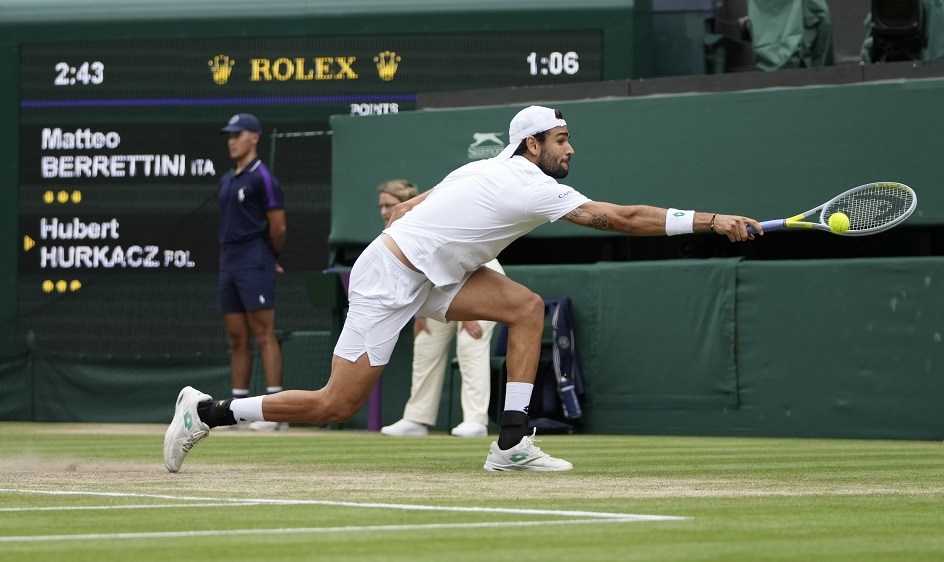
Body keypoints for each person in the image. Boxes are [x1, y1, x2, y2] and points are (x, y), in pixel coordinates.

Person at [165, 105, 763, 473]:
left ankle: (511, 442)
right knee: (334, 405)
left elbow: (406, 209)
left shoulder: (481, 168)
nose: (570, 148)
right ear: (533, 146)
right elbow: (622, 218)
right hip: (391, 279)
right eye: (560, 140)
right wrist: (711, 221)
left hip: (432, 272)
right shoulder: (530, 184)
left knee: (526, 309)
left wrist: (418, 226)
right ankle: (208, 411)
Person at [376, 179, 503, 438]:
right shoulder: (394, 231)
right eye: (381, 205)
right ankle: (417, 419)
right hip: (443, 285)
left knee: (470, 345)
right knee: (425, 343)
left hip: (480, 277)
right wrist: (420, 313)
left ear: (405, 204)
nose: (383, 211)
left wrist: (470, 314)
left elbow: (465, 255)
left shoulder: (427, 219)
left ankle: (476, 422)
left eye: (389, 205)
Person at [216, 113, 287, 432]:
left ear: (254, 137)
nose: (232, 141)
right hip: (229, 261)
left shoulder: (263, 177)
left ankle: (275, 412)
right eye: (229, 135)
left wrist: (269, 255)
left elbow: (278, 226)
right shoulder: (228, 179)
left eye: (238, 134)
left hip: (254, 258)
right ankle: (235, 411)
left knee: (263, 334)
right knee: (236, 337)